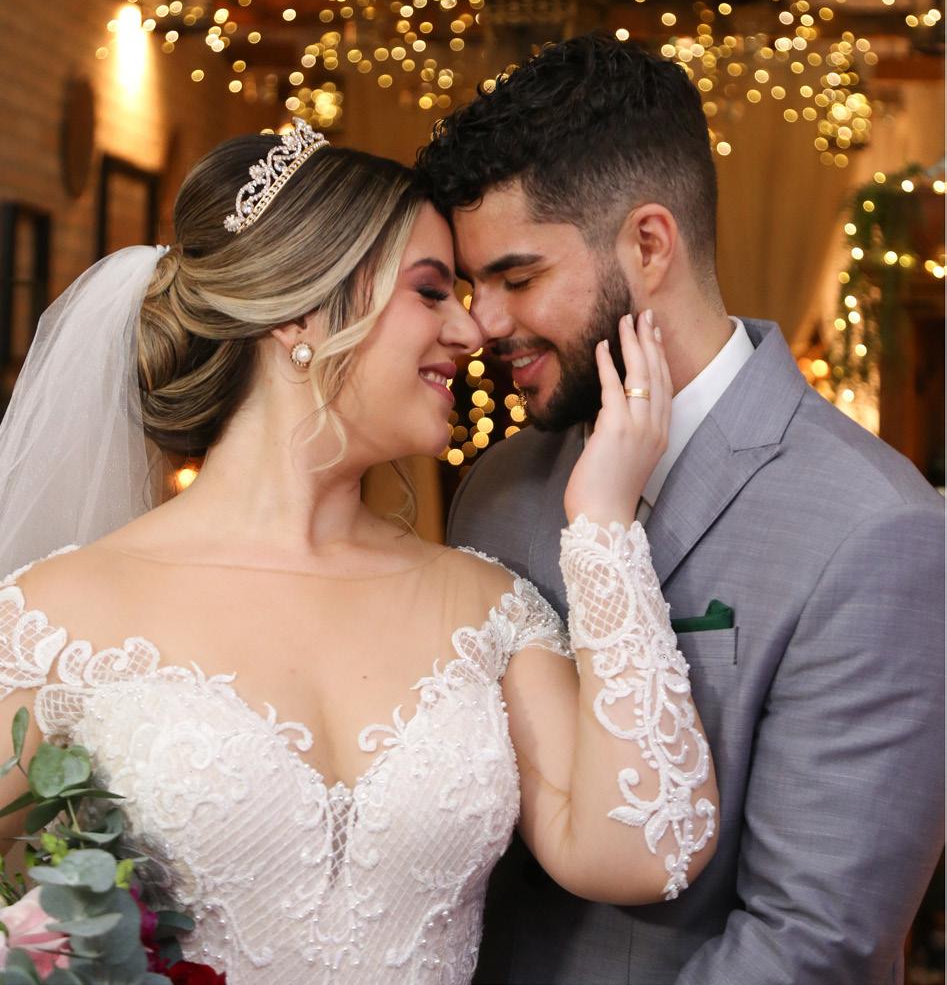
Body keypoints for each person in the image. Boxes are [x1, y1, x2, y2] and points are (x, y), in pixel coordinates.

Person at [0, 119, 719, 983]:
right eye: (431, 291)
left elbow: (647, 850)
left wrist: (603, 527)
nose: (470, 331)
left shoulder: (488, 610)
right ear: (298, 310)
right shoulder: (56, 616)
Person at [413, 32, 946, 985]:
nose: (483, 323)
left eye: (517, 278)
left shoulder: (873, 530)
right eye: (469, 284)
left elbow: (814, 944)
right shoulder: (497, 488)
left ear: (649, 244)